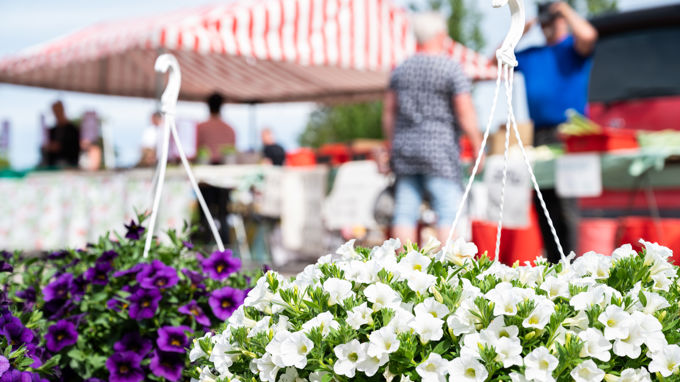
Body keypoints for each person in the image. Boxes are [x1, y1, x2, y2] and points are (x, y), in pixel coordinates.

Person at [382, 11, 482, 245]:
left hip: (406, 150)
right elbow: (464, 111)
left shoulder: (401, 69)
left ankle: (401, 269)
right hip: (440, 151)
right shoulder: (451, 68)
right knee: (448, 211)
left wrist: (392, 144)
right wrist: (478, 144)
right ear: (440, 34)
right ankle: (449, 269)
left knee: (405, 211)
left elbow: (389, 113)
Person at [514, 1, 598, 262]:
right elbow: (497, 57)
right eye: (546, 20)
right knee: (544, 206)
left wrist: (564, 10)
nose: (549, 25)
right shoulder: (533, 53)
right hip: (540, 135)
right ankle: (555, 264)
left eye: (553, 20)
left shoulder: (571, 49)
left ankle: (576, 265)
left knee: (569, 207)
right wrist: (523, 28)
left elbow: (588, 36)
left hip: (570, 135)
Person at [196, 92, 236, 164]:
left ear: (208, 106)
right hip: (224, 168)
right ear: (221, 106)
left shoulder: (200, 127)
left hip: (204, 167)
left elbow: (195, 148)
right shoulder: (229, 128)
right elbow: (232, 149)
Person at [44, 101, 80, 168]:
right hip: (53, 165)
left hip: (70, 165)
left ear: (63, 110)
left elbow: (76, 149)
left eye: (58, 110)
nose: (57, 113)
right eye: (55, 111)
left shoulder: (73, 130)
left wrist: (60, 147)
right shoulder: (52, 130)